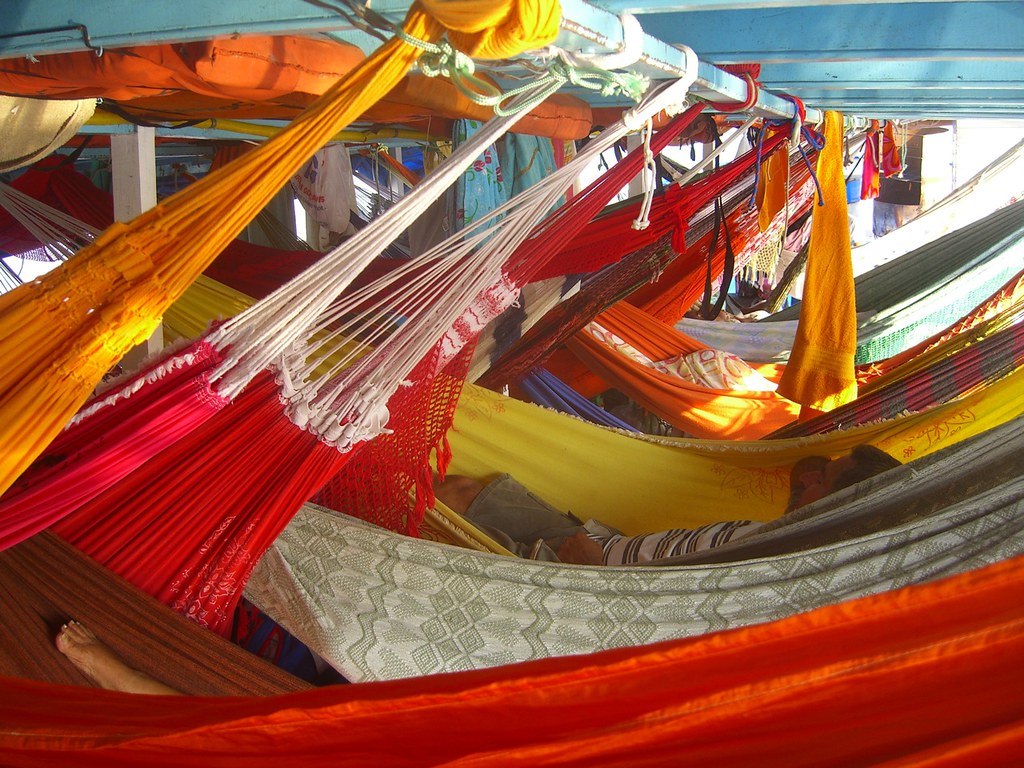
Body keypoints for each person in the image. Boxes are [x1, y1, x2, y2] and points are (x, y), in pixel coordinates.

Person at [435, 445, 902, 566]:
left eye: (825, 478)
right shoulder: (776, 533)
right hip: (603, 543)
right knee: (460, 490)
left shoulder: (784, 560)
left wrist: (597, 570)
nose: (809, 476)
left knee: (438, 514)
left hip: (579, 572)